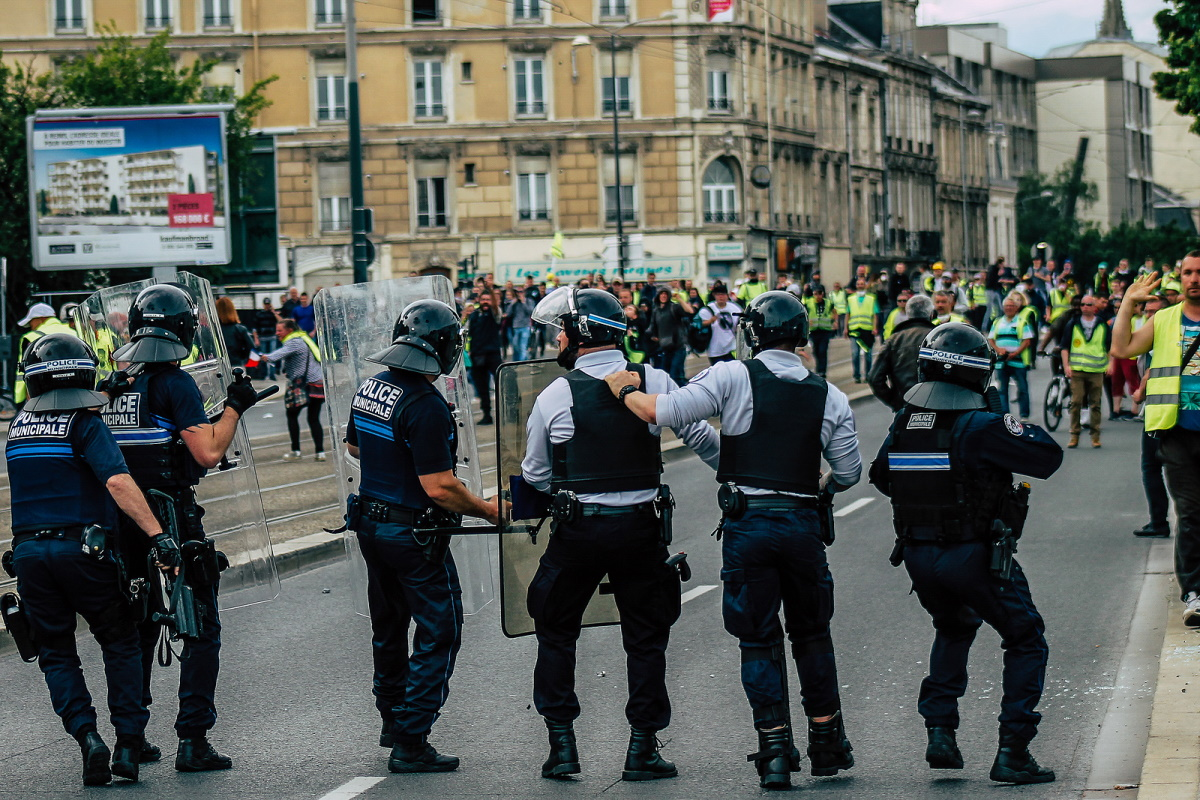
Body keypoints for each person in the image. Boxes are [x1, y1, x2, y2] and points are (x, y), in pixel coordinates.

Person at [607, 291, 861, 790]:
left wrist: (625, 391)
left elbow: (664, 411)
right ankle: (827, 742)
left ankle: (774, 752)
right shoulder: (830, 394)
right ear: (801, 336)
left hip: (749, 527)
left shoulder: (731, 375)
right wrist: (818, 487)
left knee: (757, 638)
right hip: (802, 525)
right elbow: (849, 472)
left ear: (752, 334)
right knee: (812, 633)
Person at [522, 287, 719, 783]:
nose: (557, 338)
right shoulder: (654, 380)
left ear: (579, 334)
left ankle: (562, 748)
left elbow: (535, 474)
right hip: (639, 529)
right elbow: (701, 437)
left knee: (556, 629)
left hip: (578, 531)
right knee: (646, 638)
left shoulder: (555, 394)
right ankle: (642, 749)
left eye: (562, 330)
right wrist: (743, 476)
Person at [869, 323, 1063, 786]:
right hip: (973, 556)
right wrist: (999, 415)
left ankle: (940, 731)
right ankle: (1013, 751)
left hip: (918, 556)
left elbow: (881, 476)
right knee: (1026, 638)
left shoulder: (905, 421)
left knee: (953, 627)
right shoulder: (981, 425)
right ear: (979, 374)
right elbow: (1047, 456)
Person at [102, 284, 267, 772]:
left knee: (135, 627)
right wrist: (235, 407)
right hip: (172, 518)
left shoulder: (118, 384)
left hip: (123, 518)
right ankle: (193, 740)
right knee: (200, 627)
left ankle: (130, 740)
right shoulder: (176, 384)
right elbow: (208, 453)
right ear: (185, 332)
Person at [7, 335, 172, 786]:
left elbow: (54, 419)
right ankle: (128, 745)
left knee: (56, 653)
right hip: (85, 552)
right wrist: (158, 535)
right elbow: (117, 481)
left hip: (29, 556)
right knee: (119, 641)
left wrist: (103, 394)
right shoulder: (86, 424)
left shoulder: (18, 426)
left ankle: (87, 738)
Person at [343, 300, 499, 773]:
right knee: (439, 630)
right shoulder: (427, 404)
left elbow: (354, 446)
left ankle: (392, 719)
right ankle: (411, 741)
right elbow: (440, 488)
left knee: (389, 625)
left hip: (371, 524)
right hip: (412, 533)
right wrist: (489, 510)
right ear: (446, 348)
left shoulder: (372, 387)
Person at [1112, 261, 1200, 624]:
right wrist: (1127, 305)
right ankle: (1194, 591)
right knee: (1191, 513)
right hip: (1176, 432)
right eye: (1188, 273)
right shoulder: (1164, 319)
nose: (1194, 279)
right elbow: (1122, 348)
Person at [1130, 294, 1171, 538]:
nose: (1150, 316)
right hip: (1159, 409)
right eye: (1147, 312)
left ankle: (1159, 522)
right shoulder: (1152, 335)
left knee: (1152, 466)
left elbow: (1153, 369)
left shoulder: (1165, 336)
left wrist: (1140, 392)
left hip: (1161, 411)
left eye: (1155, 312)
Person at [265, 318, 326, 461]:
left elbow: (274, 357)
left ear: (290, 330)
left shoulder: (294, 342)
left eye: (280, 330)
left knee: (292, 415)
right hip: (317, 383)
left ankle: (296, 450)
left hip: (302, 385)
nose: (277, 333)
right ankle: (320, 452)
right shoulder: (303, 339)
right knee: (313, 418)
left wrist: (262, 357)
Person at [868, 294, 936, 411]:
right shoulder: (939, 338)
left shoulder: (894, 340)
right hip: (936, 406)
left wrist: (896, 402)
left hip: (905, 406)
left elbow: (874, 378)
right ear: (931, 314)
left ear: (908, 314)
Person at [1061, 295, 1111, 448]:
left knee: (1095, 404)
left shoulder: (1102, 324)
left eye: (1088, 304)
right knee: (1076, 402)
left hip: (1096, 369)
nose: (1085, 307)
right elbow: (1065, 346)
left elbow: (1109, 346)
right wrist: (1066, 366)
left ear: (1095, 307)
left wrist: (1110, 364)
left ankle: (1095, 436)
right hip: (1077, 369)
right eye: (1082, 304)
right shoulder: (1073, 323)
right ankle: (1074, 435)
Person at [14, 302, 79, 405]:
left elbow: (25, 370)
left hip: (42, 393)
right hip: (76, 390)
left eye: (31, 323)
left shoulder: (31, 337)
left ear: (40, 319)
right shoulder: (76, 333)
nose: (31, 327)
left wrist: (22, 397)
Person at [989, 294, 1034, 421]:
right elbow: (991, 339)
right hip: (1001, 362)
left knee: (1022, 389)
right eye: (1007, 306)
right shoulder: (997, 322)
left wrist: (1016, 352)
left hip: (1018, 361)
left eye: (1011, 306)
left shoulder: (1022, 322)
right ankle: (1004, 415)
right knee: (1002, 390)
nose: (1009, 308)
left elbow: (1027, 340)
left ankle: (1024, 414)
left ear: (1016, 308)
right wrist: (998, 350)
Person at [465, 292, 503, 424]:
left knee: (502, 381)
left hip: (493, 354)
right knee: (482, 387)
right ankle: (487, 414)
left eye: (488, 299)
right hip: (478, 355)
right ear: (479, 301)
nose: (486, 302)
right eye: (483, 299)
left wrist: (490, 291)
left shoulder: (494, 314)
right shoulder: (474, 315)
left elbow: (496, 310)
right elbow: (468, 331)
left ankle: (510, 410)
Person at [648, 287, 692, 385]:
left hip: (678, 346)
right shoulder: (656, 311)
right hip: (665, 347)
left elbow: (689, 311)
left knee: (675, 375)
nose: (663, 296)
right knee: (666, 376)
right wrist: (653, 336)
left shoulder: (674, 307)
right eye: (661, 294)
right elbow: (653, 326)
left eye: (666, 294)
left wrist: (679, 299)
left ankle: (682, 393)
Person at [697, 283, 742, 364]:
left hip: (731, 348)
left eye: (723, 294)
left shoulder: (735, 308)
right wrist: (710, 321)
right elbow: (699, 324)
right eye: (718, 295)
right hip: (715, 349)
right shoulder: (708, 309)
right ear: (714, 296)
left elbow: (741, 322)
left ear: (727, 296)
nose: (721, 297)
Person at [847, 277, 879, 382]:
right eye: (858, 284)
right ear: (856, 286)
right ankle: (857, 375)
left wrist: (875, 327)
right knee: (855, 353)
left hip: (867, 330)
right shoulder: (851, 298)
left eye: (862, 284)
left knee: (868, 354)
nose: (860, 285)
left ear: (865, 285)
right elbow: (848, 313)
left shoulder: (871, 298)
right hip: (854, 329)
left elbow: (875, 314)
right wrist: (846, 328)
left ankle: (868, 375)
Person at [803, 285, 837, 376]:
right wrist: (807, 321)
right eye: (815, 294)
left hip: (825, 330)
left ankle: (822, 370)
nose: (818, 296)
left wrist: (834, 321)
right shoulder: (809, 302)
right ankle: (818, 367)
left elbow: (834, 311)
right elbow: (804, 312)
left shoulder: (828, 303)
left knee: (823, 350)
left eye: (820, 293)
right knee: (816, 351)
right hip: (814, 330)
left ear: (823, 294)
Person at [215, 297, 254, 368]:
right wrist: (243, 358)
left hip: (219, 366)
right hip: (237, 364)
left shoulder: (214, 330)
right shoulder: (240, 329)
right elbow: (251, 347)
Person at [505, 287, 536, 362]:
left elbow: (531, 312)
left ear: (524, 292)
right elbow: (508, 313)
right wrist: (513, 303)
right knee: (515, 346)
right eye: (517, 292)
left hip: (525, 326)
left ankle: (521, 363)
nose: (519, 294)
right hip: (516, 326)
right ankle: (516, 362)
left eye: (521, 292)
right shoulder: (514, 302)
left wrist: (523, 302)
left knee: (523, 346)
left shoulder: (529, 301)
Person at [254, 299, 281, 379]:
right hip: (262, 337)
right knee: (263, 356)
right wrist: (256, 338)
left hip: (272, 336)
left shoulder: (273, 314)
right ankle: (264, 374)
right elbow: (255, 327)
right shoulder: (259, 314)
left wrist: (274, 312)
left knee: (273, 355)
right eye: (266, 304)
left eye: (268, 304)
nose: (267, 306)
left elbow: (281, 321)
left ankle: (272, 374)